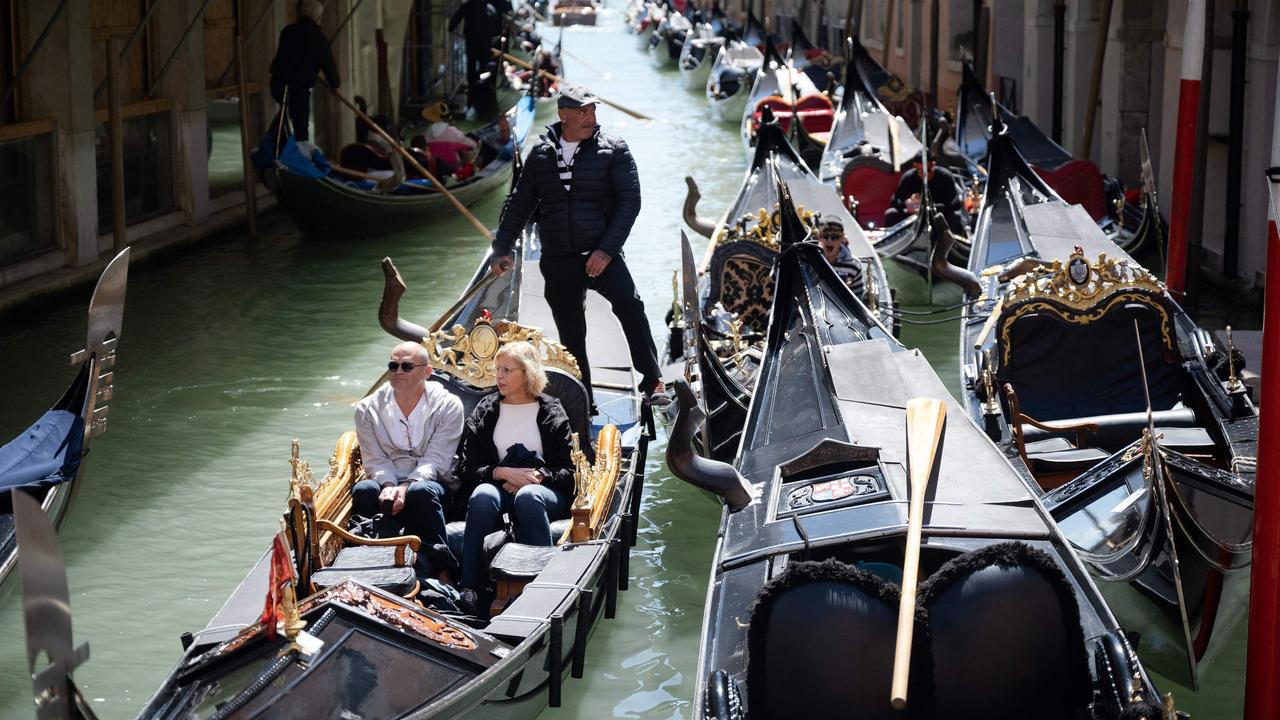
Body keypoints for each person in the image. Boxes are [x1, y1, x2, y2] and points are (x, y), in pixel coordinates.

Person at [489, 86, 668, 406]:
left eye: (593, 111)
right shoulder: (541, 155)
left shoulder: (614, 150)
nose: (590, 117)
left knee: (630, 304)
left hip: (601, 253)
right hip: (558, 258)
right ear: (563, 115)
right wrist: (501, 248)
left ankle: (653, 379)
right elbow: (520, 203)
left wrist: (607, 250)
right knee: (572, 332)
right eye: (583, 112)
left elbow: (630, 203)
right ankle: (584, 397)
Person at [455, 342, 579, 613]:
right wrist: (498, 472)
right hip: (498, 488)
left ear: (526, 374)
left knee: (528, 495)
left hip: (543, 492)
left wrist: (537, 476)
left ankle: (543, 586)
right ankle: (469, 587)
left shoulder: (551, 412)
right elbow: (466, 468)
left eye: (507, 370)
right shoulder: (486, 410)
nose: (498, 376)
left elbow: (570, 472)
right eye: (497, 369)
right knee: (482, 495)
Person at [352, 342, 464, 577]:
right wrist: (390, 485)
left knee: (419, 492)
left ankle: (443, 572)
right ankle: (367, 566)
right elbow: (375, 458)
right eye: (393, 366)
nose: (398, 372)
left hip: (434, 482)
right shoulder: (366, 409)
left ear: (427, 371)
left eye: (406, 366)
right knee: (364, 489)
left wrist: (406, 486)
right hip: (388, 480)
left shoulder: (449, 405)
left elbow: (436, 459)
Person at [268, 0, 340, 148]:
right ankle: (299, 157)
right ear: (318, 18)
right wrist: (335, 85)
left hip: (277, 84)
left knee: (284, 120)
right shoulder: (319, 40)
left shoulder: (287, 31)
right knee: (301, 131)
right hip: (297, 89)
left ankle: (285, 151)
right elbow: (328, 66)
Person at [882, 157, 965, 236]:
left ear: (933, 165)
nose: (924, 175)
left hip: (939, 213)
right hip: (915, 214)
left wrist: (930, 207)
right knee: (891, 213)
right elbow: (895, 200)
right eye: (920, 171)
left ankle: (953, 243)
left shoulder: (944, 176)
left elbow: (955, 203)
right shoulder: (909, 177)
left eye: (927, 171)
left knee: (955, 216)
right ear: (915, 166)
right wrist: (908, 204)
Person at [419, 102, 479, 178]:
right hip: (453, 170)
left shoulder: (425, 134)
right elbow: (471, 145)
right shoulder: (453, 132)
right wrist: (475, 144)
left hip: (433, 170)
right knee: (468, 152)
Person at [449, 0, 500, 86]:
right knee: (484, 67)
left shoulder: (467, 5)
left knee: (471, 65)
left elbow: (456, 19)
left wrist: (451, 28)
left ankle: (473, 87)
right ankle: (483, 87)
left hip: (472, 42)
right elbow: (496, 28)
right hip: (485, 44)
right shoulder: (490, 8)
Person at [815, 215, 866, 298]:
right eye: (825, 236)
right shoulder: (811, 260)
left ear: (842, 238)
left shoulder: (853, 265)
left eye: (835, 237)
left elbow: (858, 299)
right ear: (819, 237)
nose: (829, 240)